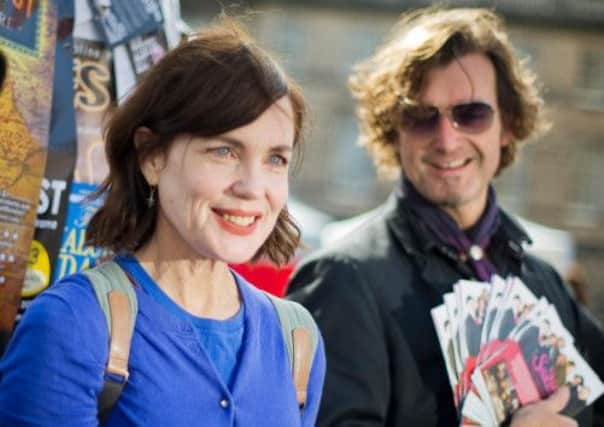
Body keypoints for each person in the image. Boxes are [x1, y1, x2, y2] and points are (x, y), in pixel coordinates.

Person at [287, 7, 604, 427]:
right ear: (393, 131)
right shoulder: (340, 278)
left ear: (506, 126)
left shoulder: (544, 282)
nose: (447, 138)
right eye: (421, 117)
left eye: (470, 114)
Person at [0, 18, 325, 426]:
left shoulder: (298, 340)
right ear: (151, 156)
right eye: (224, 151)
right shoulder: (74, 325)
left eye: (275, 158)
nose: (253, 187)